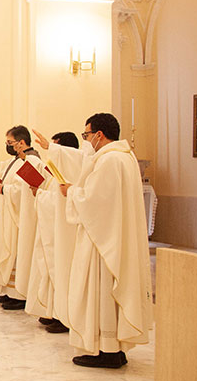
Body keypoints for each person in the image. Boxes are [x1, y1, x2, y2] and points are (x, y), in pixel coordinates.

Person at [60, 113, 153, 368]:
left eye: (87, 135)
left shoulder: (110, 160)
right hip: (113, 235)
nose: (86, 140)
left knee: (101, 290)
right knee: (109, 294)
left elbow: (95, 201)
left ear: (99, 135)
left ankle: (107, 350)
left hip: (103, 241)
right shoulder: (124, 157)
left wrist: (71, 192)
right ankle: (115, 348)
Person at [27, 130, 82, 333]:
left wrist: (39, 195)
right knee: (50, 270)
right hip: (52, 230)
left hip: (65, 234)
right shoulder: (56, 170)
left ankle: (63, 316)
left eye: (54, 149)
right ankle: (52, 311)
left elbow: (60, 201)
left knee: (61, 271)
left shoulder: (72, 172)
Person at [0, 125, 45, 311]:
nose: (8, 146)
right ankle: (9, 290)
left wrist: (4, 189)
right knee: (10, 249)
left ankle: (20, 294)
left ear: (21, 142)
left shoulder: (33, 161)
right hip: (11, 211)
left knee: (20, 251)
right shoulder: (19, 160)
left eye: (10, 143)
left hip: (23, 216)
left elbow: (24, 190)